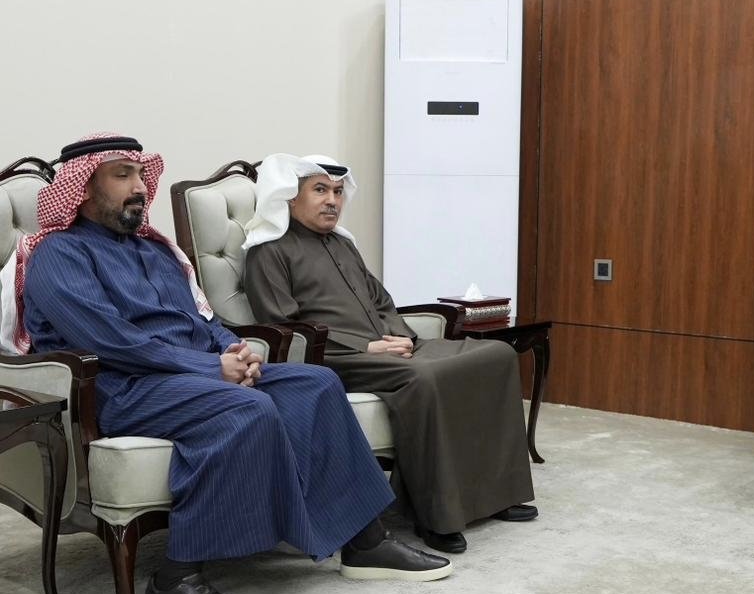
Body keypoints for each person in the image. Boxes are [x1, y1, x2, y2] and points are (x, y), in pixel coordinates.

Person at [17, 134, 452, 594]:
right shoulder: (59, 254)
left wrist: (234, 350)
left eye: (141, 175)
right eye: (123, 176)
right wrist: (211, 370)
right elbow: (110, 341)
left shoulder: (155, 251)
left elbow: (203, 319)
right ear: (83, 187)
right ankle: (177, 575)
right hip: (124, 387)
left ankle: (365, 540)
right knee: (246, 407)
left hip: (187, 376)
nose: (140, 187)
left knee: (318, 382)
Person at [242, 153, 536, 555]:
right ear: (291, 197)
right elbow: (285, 327)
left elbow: (381, 301)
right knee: (425, 377)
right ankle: (437, 517)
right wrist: (366, 346)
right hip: (333, 359)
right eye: (320, 190)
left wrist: (398, 336)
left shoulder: (343, 244)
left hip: (385, 347)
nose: (332, 201)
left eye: (338, 192)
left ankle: (496, 495)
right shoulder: (268, 252)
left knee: (497, 355)